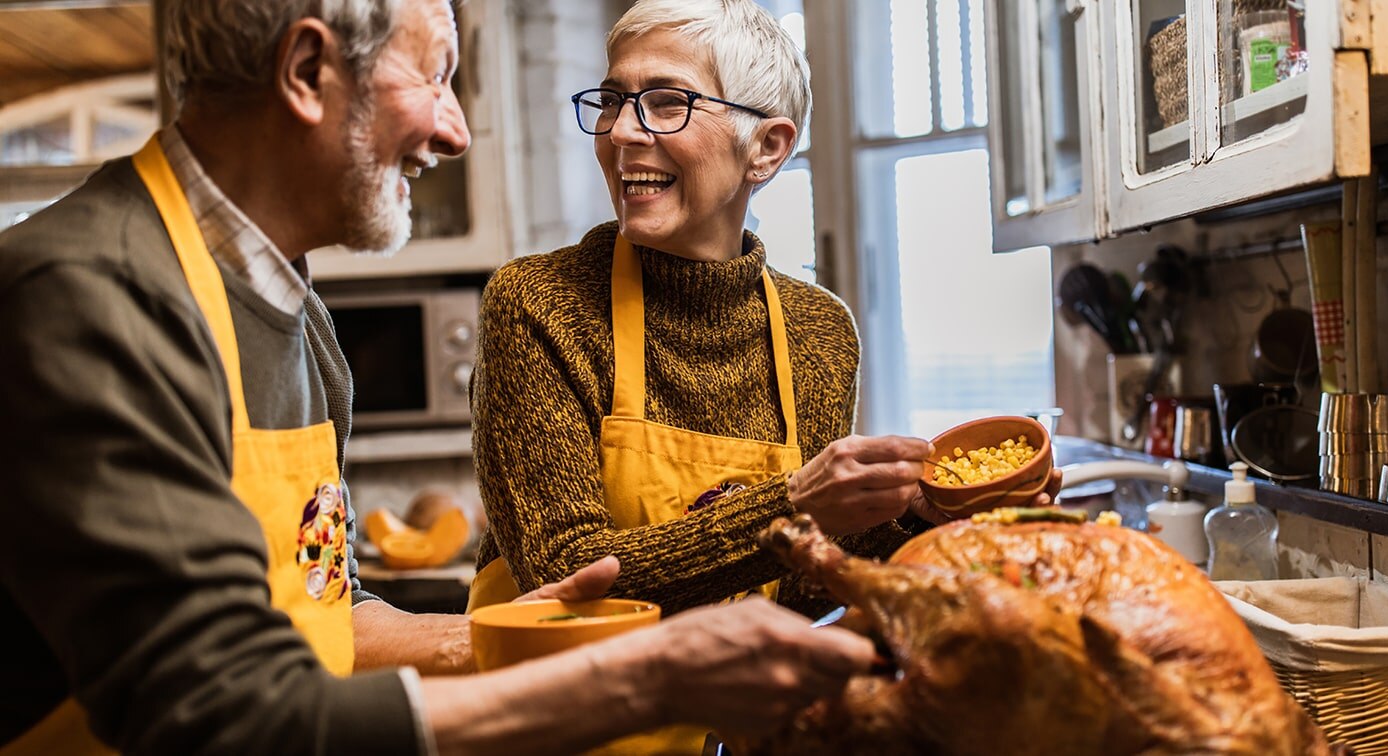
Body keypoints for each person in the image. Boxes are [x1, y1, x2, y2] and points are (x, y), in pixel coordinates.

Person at [0, 1, 877, 753]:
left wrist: (519, 639)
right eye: (434, 78)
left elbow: (323, 614)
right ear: (308, 72)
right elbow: (216, 714)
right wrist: (638, 675)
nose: (456, 132)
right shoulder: (91, 296)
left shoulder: (289, 312)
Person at [471, 0, 1062, 616]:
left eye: (669, 102)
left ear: (766, 148)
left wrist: (928, 521)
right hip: (572, 708)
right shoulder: (538, 303)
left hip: (746, 705)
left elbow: (800, 586)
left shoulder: (820, 331)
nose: (620, 131)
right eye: (614, 100)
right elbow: (568, 578)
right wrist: (798, 505)